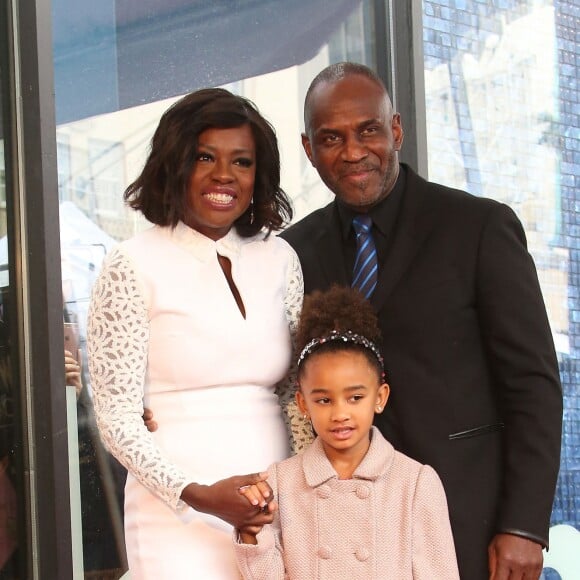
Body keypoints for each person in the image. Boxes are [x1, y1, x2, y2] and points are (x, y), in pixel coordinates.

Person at [280, 62, 563, 579]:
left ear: (396, 129)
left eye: (368, 129)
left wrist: (524, 524)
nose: (352, 151)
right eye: (331, 138)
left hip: (468, 519)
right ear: (308, 149)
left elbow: (533, 384)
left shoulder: (478, 227)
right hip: (344, 536)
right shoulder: (293, 253)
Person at [86, 87, 306, 579]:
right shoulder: (131, 263)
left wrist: (310, 490)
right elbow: (117, 419)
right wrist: (198, 494)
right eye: (205, 156)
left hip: (275, 508)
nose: (224, 175)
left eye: (242, 161)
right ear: (174, 164)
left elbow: (296, 394)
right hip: (177, 518)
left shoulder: (281, 260)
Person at [233, 286, 460, 579]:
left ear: (380, 397)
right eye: (324, 400)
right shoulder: (280, 482)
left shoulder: (415, 483)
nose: (340, 414)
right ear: (303, 403)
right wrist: (251, 532)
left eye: (355, 398)